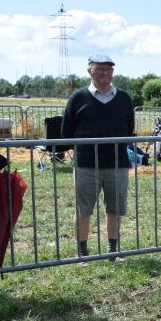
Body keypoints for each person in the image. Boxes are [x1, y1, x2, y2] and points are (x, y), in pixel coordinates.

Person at [62, 54, 135, 259]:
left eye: (108, 69)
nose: (104, 73)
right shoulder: (77, 98)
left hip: (117, 163)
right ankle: (82, 252)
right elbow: (66, 131)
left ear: (113, 72)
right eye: (99, 69)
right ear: (89, 71)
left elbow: (129, 128)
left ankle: (113, 249)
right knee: (83, 209)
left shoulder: (124, 98)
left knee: (115, 209)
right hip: (86, 164)